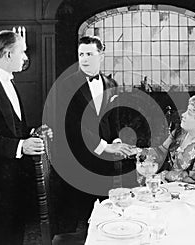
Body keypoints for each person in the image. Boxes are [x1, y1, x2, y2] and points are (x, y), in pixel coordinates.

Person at [0, 30, 49, 245]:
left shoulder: (10, 82)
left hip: (13, 181)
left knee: (15, 236)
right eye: (22, 52)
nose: (25, 58)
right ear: (7, 54)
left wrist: (33, 132)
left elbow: (12, 128)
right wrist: (21, 146)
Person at [57, 36, 133, 233]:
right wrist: (104, 146)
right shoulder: (66, 84)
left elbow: (113, 119)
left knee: (110, 214)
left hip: (106, 158)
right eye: (81, 54)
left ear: (101, 55)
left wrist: (116, 142)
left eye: (90, 54)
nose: (84, 59)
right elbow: (71, 125)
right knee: (79, 219)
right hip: (78, 157)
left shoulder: (111, 82)